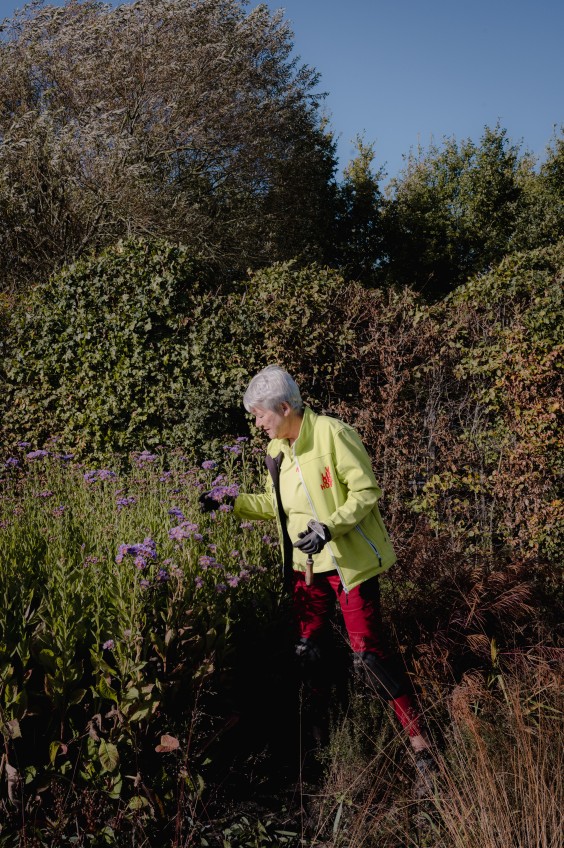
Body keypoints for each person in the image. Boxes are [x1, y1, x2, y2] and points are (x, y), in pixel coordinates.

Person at [201, 365, 431, 760]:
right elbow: (277, 507)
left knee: (369, 656)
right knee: (309, 652)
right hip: (305, 570)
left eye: (261, 415)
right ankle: (318, 747)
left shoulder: (333, 434)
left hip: (349, 565)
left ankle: (420, 745)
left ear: (286, 407)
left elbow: (366, 492)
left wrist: (330, 527)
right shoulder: (276, 451)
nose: (257, 424)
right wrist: (229, 501)